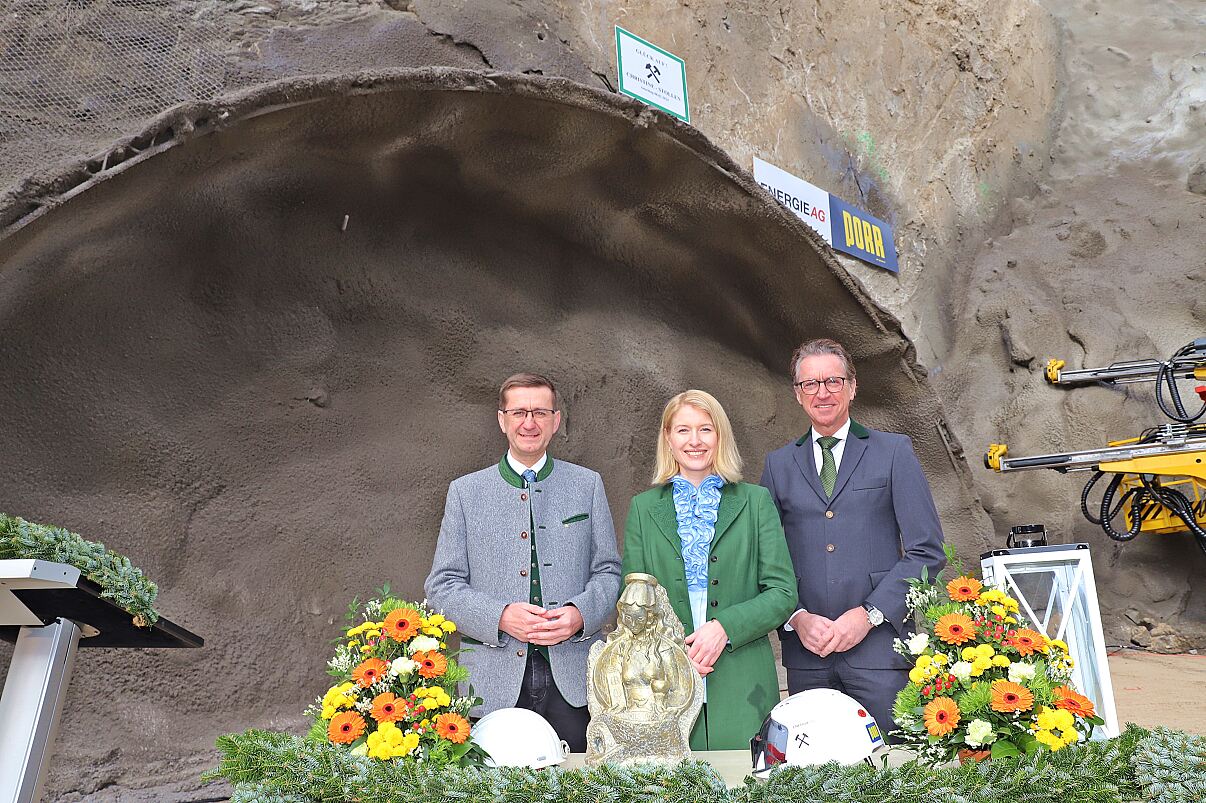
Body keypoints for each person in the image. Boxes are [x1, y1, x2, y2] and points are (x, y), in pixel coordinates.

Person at [425, 372, 621, 752]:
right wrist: (500, 616)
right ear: (502, 420)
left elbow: (609, 571)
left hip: (576, 681)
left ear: (556, 420)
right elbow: (441, 585)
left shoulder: (588, 484)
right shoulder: (466, 492)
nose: (529, 423)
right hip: (489, 683)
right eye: (519, 412)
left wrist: (580, 615)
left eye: (540, 412)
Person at [761, 338, 946, 737]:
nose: (822, 392)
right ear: (797, 394)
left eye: (832, 380)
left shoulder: (893, 452)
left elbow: (927, 551)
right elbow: (764, 559)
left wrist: (869, 614)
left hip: (881, 652)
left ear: (852, 386)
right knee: (816, 780)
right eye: (810, 384)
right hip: (807, 654)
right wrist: (796, 617)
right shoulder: (777, 466)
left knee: (895, 773)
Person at [622, 389, 798, 750]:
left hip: (743, 677)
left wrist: (724, 628)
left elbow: (783, 593)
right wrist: (673, 650)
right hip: (663, 682)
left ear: (720, 437)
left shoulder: (755, 501)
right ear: (668, 440)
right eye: (683, 430)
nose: (695, 441)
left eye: (706, 429)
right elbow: (631, 602)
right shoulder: (642, 508)